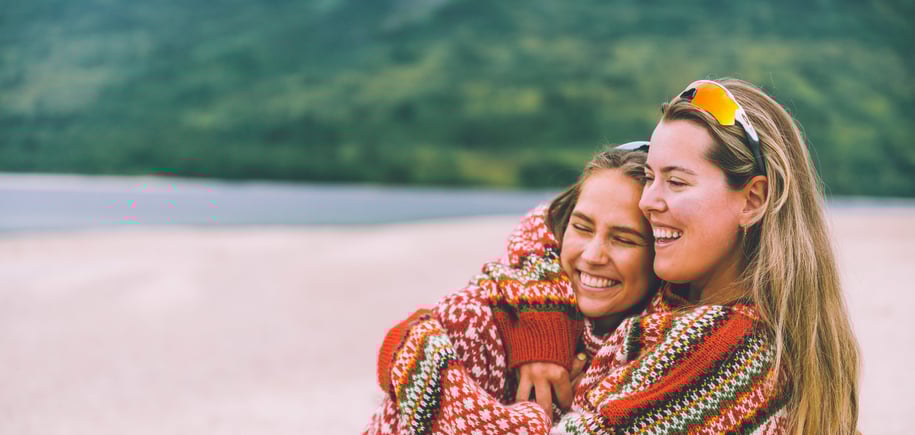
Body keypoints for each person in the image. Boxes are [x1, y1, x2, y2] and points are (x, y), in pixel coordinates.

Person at [364, 145, 659, 434]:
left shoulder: (664, 349)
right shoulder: (480, 321)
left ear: (662, 249)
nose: (593, 255)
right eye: (582, 227)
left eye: (624, 239)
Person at [633, 78, 861, 433]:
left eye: (676, 182)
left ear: (753, 200)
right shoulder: (780, 334)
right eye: (649, 177)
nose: (646, 201)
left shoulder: (723, 353)